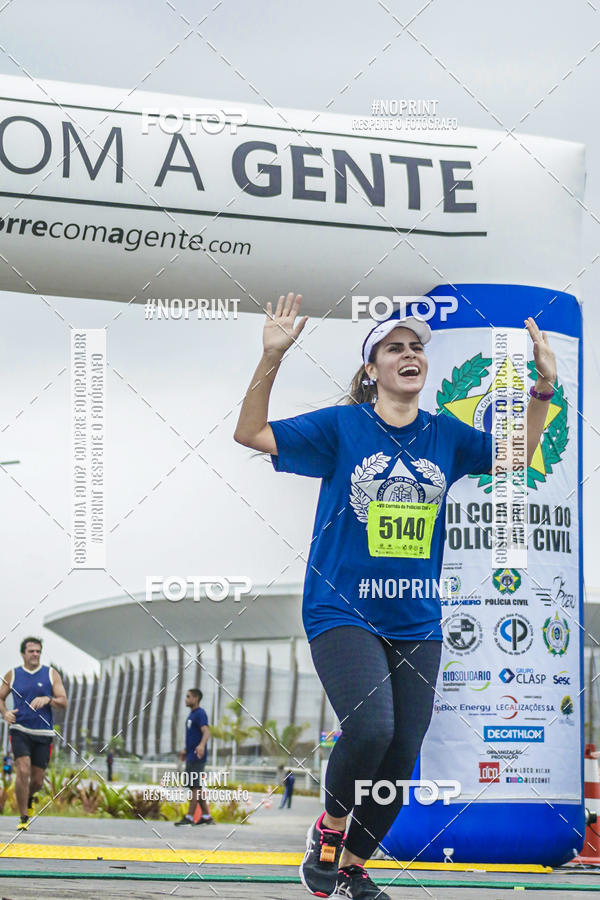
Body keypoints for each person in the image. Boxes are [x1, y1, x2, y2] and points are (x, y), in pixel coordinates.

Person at [234, 293, 557, 899]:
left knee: (404, 749)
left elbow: (514, 457)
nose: (410, 355)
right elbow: (250, 432)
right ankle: (328, 832)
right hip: (343, 609)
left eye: (416, 348)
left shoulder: (445, 435)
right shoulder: (342, 426)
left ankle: (354, 864)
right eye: (394, 348)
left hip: (416, 618)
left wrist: (542, 389)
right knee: (372, 728)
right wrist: (272, 357)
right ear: (372, 369)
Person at [0, 637, 67, 831]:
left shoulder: (50, 674)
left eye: (38, 651)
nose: (35, 654)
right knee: (22, 770)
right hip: (20, 729)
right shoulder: (12, 674)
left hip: (44, 732)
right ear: (23, 654)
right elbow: (1, 698)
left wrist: (48, 699)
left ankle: (29, 798)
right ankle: (23, 817)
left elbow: (63, 701)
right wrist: (5, 713)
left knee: (37, 780)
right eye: (31, 651)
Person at [174, 688, 214, 826]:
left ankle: (190, 817)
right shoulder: (192, 715)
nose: (186, 699)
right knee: (195, 786)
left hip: (197, 756)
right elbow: (193, 736)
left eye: (188, 696)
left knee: (195, 787)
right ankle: (207, 817)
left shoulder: (200, 714)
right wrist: (186, 750)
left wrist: (202, 745)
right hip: (191, 755)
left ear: (196, 698)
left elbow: (206, 732)